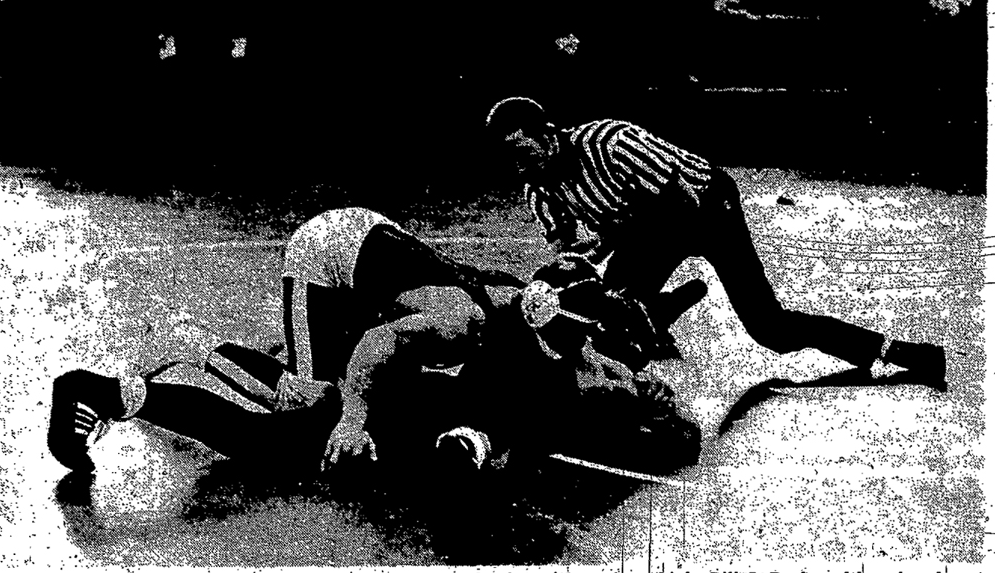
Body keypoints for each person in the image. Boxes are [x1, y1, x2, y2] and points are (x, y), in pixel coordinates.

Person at [47, 257, 698, 478]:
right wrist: (356, 418)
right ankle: (111, 391)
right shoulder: (469, 320)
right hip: (358, 323)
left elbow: (614, 385)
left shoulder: (577, 357)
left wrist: (656, 398)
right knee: (291, 424)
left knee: (295, 424)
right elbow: (380, 345)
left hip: (405, 373)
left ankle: (205, 368)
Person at [485, 97, 946, 390]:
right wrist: (588, 288)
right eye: (509, 162)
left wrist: (629, 286)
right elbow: (574, 260)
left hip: (705, 207)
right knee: (603, 310)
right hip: (646, 228)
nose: (520, 169)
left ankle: (893, 351)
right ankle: (647, 332)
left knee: (772, 329)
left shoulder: (613, 143)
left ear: (549, 134)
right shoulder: (538, 189)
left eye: (523, 154)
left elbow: (681, 208)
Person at [280, 207, 523, 385]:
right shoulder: (457, 322)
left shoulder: (466, 301)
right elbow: (378, 342)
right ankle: (261, 365)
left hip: (363, 238)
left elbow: (474, 277)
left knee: (347, 373)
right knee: (311, 390)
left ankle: (291, 353)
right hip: (321, 248)